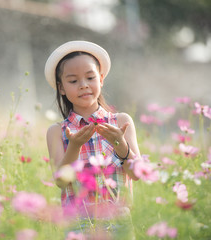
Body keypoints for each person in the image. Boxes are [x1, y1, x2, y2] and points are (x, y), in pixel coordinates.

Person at [45, 41, 140, 239]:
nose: (84, 85)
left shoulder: (121, 122)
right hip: (79, 222)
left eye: (90, 77)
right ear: (61, 88)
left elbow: (137, 173)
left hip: (118, 219)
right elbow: (62, 181)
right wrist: (74, 146)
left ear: (101, 79)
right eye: (73, 81)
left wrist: (120, 145)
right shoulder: (57, 131)